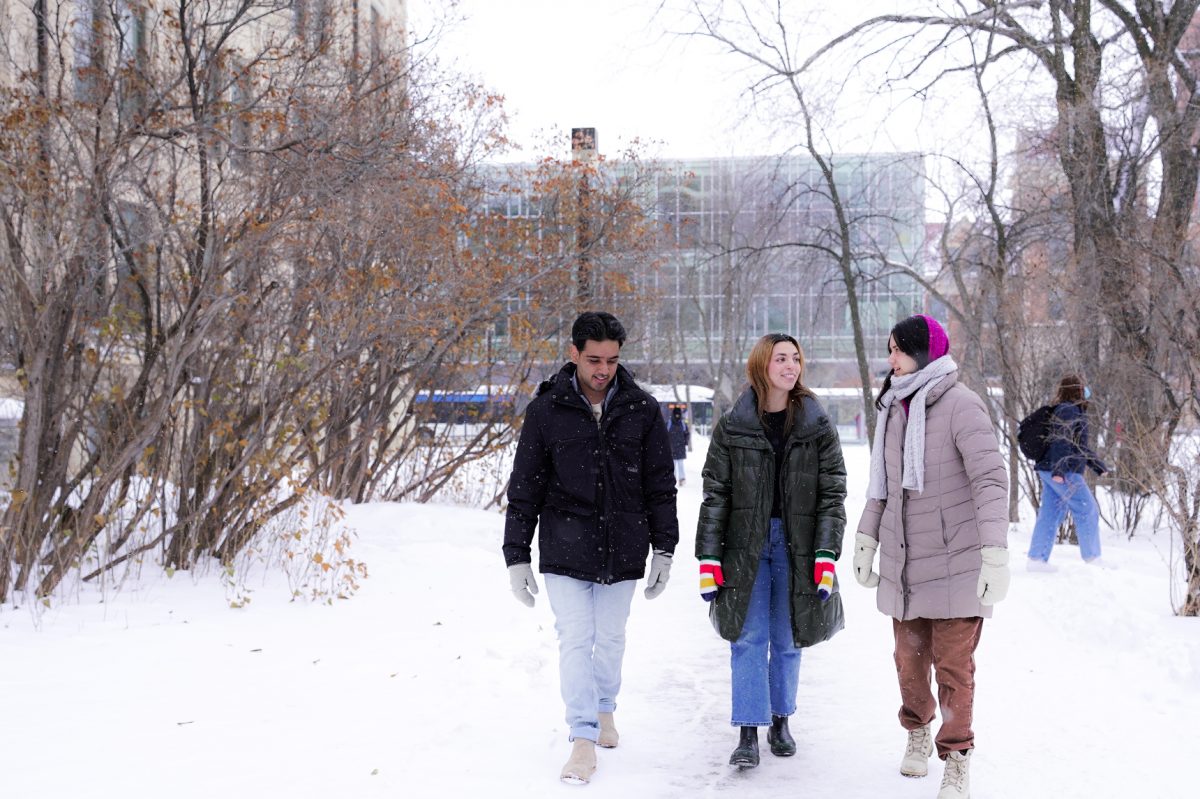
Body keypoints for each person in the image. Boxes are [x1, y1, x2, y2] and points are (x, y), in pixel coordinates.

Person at [502, 311, 679, 785]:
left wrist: (665, 548)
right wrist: (516, 556)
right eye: (595, 359)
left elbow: (660, 486)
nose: (604, 369)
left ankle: (604, 709)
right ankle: (582, 737)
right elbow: (525, 488)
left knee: (612, 637)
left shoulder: (642, 408)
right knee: (575, 638)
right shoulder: (545, 411)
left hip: (624, 545)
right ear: (574, 353)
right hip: (565, 544)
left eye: (613, 360)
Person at [852, 314, 1009, 799]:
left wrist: (995, 553)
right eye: (890, 348)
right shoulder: (893, 408)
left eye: (898, 349)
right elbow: (881, 487)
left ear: (923, 354)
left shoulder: (961, 406)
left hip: (957, 561)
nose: (890, 358)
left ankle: (957, 756)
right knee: (908, 660)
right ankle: (917, 732)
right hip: (907, 564)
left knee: (954, 667)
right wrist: (866, 540)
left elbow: (990, 480)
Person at [695, 333, 848, 769]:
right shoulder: (734, 423)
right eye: (781, 358)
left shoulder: (816, 424)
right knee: (746, 637)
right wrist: (708, 557)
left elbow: (832, 493)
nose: (790, 366)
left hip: (797, 546)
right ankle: (748, 730)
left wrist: (825, 553)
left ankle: (781, 721)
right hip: (745, 545)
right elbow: (716, 493)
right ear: (762, 364)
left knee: (787, 639)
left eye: (795, 358)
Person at [1027, 374, 1109, 570]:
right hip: (1064, 471)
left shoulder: (1068, 410)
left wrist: (1098, 466)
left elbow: (1079, 446)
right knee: (1087, 509)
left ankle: (1037, 560)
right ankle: (1092, 558)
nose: (1086, 390)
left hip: (1053, 469)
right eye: (1083, 387)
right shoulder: (1068, 411)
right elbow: (1061, 440)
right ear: (1077, 390)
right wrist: (1059, 470)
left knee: (1051, 513)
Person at [667, 406, 690, 486]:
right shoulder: (669, 423)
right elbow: (665, 434)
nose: (677, 415)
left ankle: (682, 479)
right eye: (676, 414)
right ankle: (672, 479)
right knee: (672, 464)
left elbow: (687, 434)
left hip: (680, 447)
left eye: (678, 413)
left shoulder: (683, 423)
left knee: (680, 464)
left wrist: (685, 442)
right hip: (671, 447)